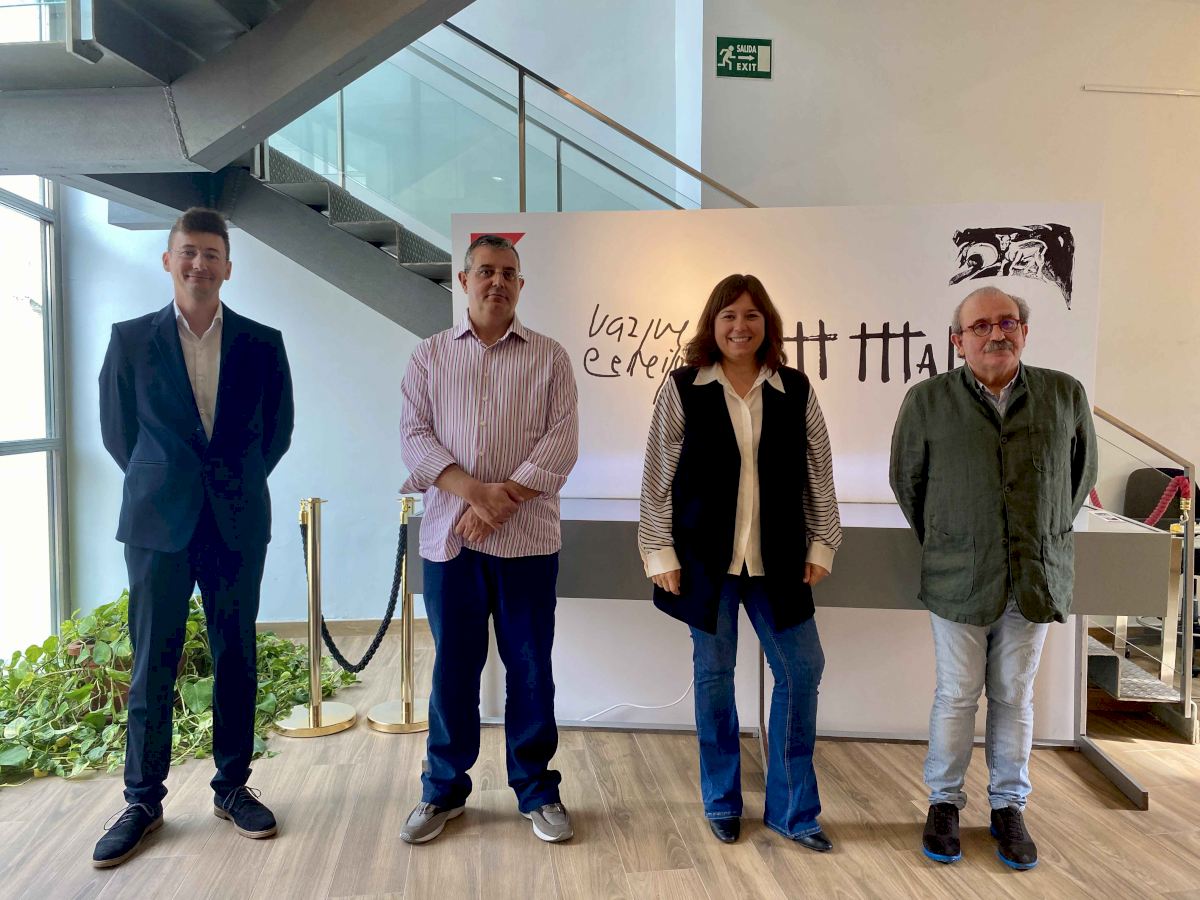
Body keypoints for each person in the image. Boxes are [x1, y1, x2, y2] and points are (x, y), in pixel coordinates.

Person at [94, 207, 294, 867]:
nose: (199, 264)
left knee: (236, 653)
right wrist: (166, 483)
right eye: (188, 252)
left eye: (211, 254)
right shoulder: (130, 340)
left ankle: (232, 786)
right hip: (158, 523)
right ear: (168, 260)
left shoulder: (262, 343)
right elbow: (120, 434)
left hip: (236, 521)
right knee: (153, 657)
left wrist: (231, 483)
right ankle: (142, 800)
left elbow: (277, 431)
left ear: (227, 267)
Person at [889, 286, 1096, 871]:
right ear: (958, 341)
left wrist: (1038, 532)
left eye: (1007, 322)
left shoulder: (1064, 395)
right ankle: (944, 804)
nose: (995, 334)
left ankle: (1009, 806)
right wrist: (956, 536)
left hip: (1035, 575)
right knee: (956, 695)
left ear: (1024, 332)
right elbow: (908, 483)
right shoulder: (927, 401)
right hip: (958, 576)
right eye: (980, 326)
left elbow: (1079, 478)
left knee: (1014, 695)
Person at [638, 273, 841, 849]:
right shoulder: (682, 387)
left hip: (779, 559)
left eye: (751, 315)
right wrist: (658, 551)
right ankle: (722, 800)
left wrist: (822, 542)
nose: (740, 326)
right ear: (713, 323)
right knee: (713, 678)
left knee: (802, 669)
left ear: (766, 324)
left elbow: (819, 470)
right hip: (703, 562)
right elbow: (657, 477)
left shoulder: (795, 388)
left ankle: (793, 810)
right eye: (728, 315)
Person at [398, 234, 579, 844]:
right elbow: (415, 438)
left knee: (530, 668)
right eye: (485, 271)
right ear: (464, 280)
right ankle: (442, 790)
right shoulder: (429, 357)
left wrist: (501, 504)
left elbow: (561, 443)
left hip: (528, 544)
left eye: (508, 273)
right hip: (451, 544)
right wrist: (475, 494)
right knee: (453, 669)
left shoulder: (550, 357)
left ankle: (537, 790)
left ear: (520, 285)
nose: (496, 282)